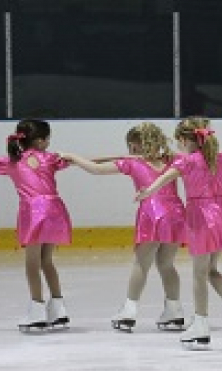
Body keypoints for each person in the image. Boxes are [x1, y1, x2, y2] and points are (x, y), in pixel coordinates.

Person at [59, 122, 186, 332]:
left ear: (134, 146)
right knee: (166, 264)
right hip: (176, 213)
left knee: (141, 264)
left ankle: (129, 311)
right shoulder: (172, 160)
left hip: (152, 213)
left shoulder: (132, 163)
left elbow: (96, 169)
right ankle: (174, 311)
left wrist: (73, 157)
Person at [136, 116, 222, 346]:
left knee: (199, 273)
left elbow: (162, 179)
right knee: (210, 270)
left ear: (183, 140)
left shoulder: (186, 162)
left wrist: (146, 193)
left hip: (201, 215)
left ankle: (201, 325)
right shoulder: (221, 159)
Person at [0, 119, 71, 331]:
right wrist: (122, 157)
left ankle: (37, 311)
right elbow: (86, 161)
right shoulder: (49, 158)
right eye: (48, 139)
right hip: (55, 209)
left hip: (33, 212)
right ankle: (58, 308)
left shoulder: (11, 161)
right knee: (47, 261)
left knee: (32, 263)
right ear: (41, 141)